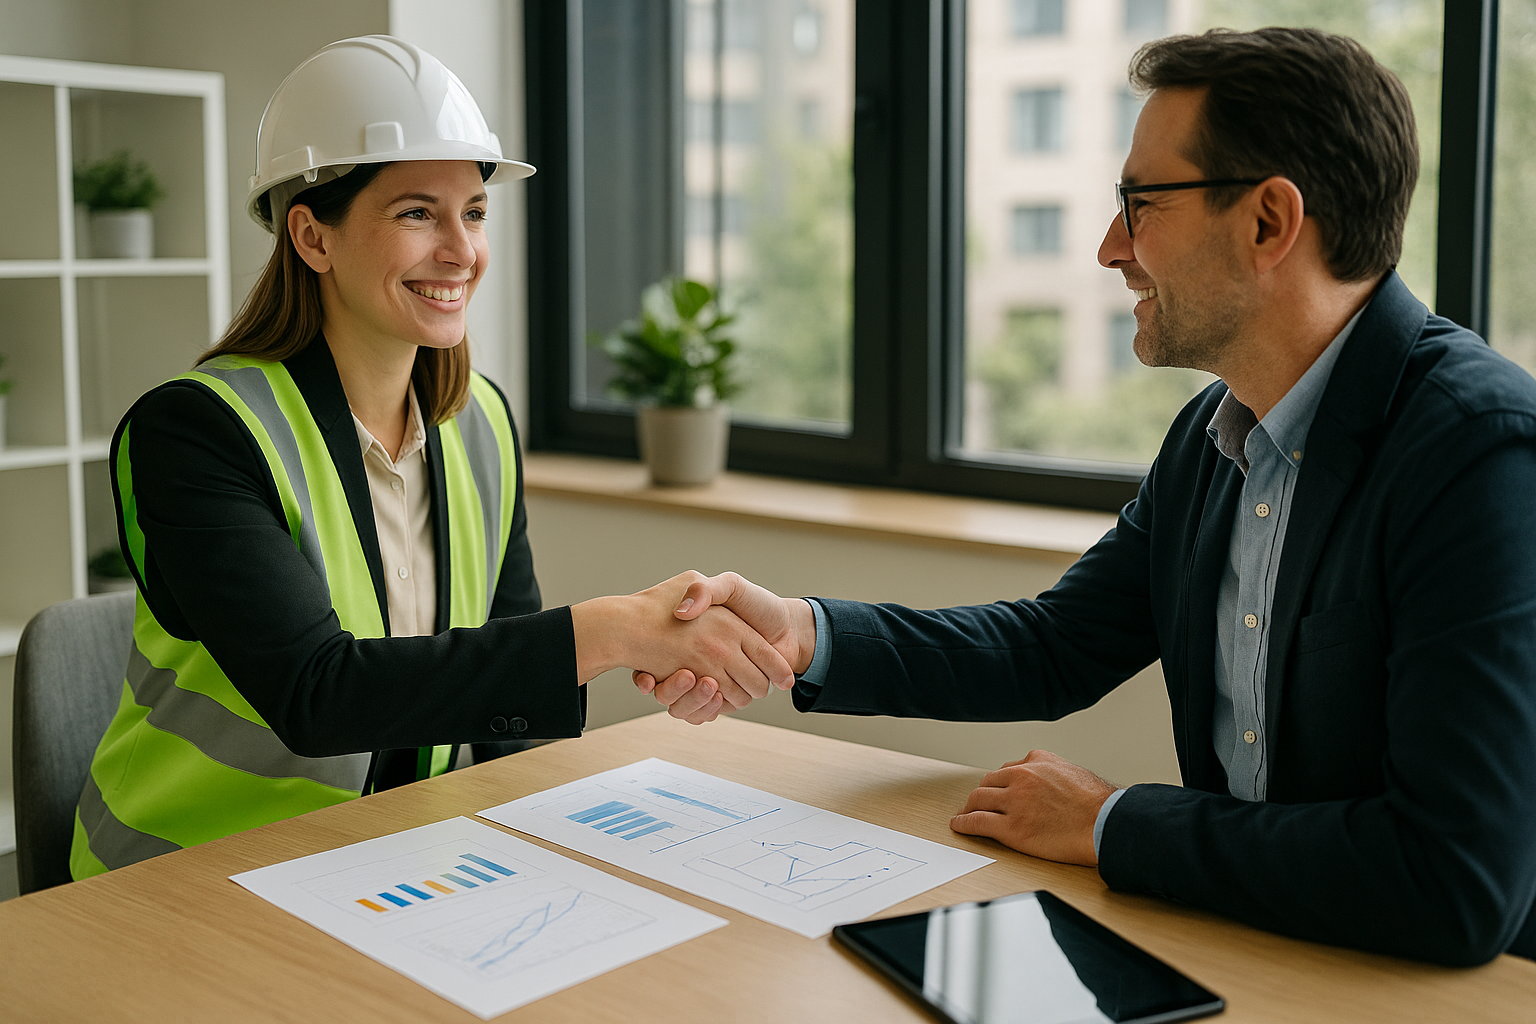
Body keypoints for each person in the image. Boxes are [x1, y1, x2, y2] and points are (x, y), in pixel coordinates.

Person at [637, 28, 1536, 966]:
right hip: (1259, 949)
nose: (1111, 248)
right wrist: (803, 634)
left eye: (1140, 205)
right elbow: (1055, 646)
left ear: (1269, 222)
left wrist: (1111, 821)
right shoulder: (1213, 436)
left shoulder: (1479, 452)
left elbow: (1453, 878)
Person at [70, 35, 788, 880]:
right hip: (187, 876)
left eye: (474, 212)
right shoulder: (197, 431)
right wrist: (611, 631)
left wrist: (540, 850)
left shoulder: (482, 422)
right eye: (417, 213)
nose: (461, 251)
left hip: (394, 862)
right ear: (312, 237)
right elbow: (318, 694)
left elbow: (502, 697)